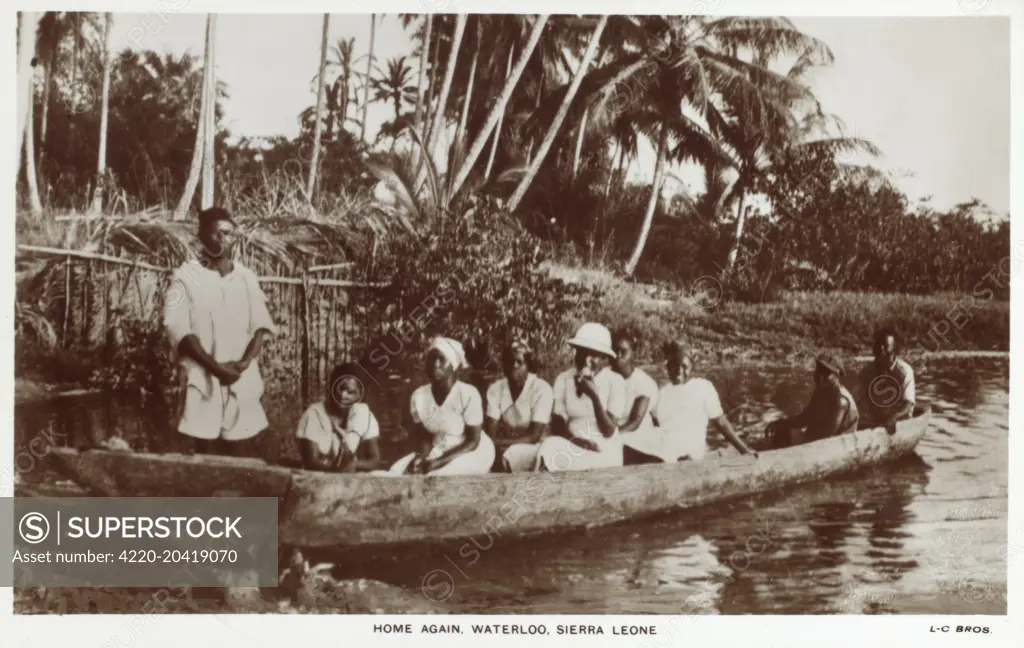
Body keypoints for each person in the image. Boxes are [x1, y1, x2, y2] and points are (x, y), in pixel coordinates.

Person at [163, 207, 276, 456]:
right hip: (202, 380)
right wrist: (216, 368)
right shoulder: (185, 277)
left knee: (240, 452)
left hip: (240, 378)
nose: (222, 240)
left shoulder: (246, 278)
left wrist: (243, 364)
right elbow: (178, 329)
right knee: (201, 452)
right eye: (215, 234)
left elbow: (260, 326)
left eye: (228, 234)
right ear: (201, 236)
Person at [624, 341, 757, 462]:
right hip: (667, 444)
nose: (678, 372)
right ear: (667, 367)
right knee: (625, 440)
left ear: (692, 367)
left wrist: (744, 449)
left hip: (688, 452)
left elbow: (721, 422)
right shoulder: (663, 392)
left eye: (684, 366)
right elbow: (658, 423)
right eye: (673, 366)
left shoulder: (703, 387)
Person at [384, 337, 495, 476]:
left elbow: (473, 441)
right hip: (439, 449)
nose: (435, 364)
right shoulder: (418, 397)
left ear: (453, 365)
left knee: (436, 477)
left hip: (472, 451)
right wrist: (421, 457)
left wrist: (438, 462)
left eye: (442, 359)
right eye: (431, 359)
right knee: (397, 472)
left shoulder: (468, 394)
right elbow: (425, 438)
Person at [536, 323, 628, 472]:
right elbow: (558, 423)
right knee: (545, 448)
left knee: (550, 452)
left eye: (593, 355)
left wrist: (594, 395)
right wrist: (577, 441)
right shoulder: (564, 379)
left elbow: (609, 431)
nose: (586, 360)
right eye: (582, 353)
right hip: (571, 441)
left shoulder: (615, 381)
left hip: (602, 448)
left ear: (603, 358)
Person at [295, 363, 383, 472]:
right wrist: (337, 469)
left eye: (350, 392)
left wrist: (353, 465)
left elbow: (374, 460)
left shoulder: (364, 415)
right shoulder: (314, 414)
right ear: (331, 387)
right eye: (340, 389)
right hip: (319, 480)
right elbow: (312, 462)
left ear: (359, 395)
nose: (343, 395)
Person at [765, 353, 859, 449]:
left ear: (836, 376)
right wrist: (780, 422)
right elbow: (804, 418)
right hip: (818, 441)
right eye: (819, 371)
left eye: (826, 374)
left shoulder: (840, 401)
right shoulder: (821, 391)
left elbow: (825, 438)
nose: (821, 378)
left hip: (837, 446)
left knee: (784, 435)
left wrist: (799, 442)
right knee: (781, 430)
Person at [489, 339, 555, 472]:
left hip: (538, 447)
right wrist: (495, 444)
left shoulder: (541, 389)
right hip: (508, 444)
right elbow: (491, 432)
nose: (514, 366)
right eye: (510, 361)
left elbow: (534, 436)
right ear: (503, 364)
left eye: (520, 362)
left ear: (528, 365)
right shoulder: (496, 389)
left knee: (509, 455)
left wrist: (499, 443)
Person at [858, 327, 916, 434]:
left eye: (885, 348)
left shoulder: (904, 371)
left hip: (900, 420)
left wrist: (894, 417)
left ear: (894, 351)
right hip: (876, 420)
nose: (881, 350)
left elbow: (908, 404)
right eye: (879, 347)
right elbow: (857, 398)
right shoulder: (867, 371)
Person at [612, 329, 659, 437]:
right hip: (612, 431)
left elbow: (634, 422)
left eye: (623, 351)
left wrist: (610, 437)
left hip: (637, 436)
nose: (617, 356)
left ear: (633, 353)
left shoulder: (643, 383)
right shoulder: (604, 376)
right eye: (614, 351)